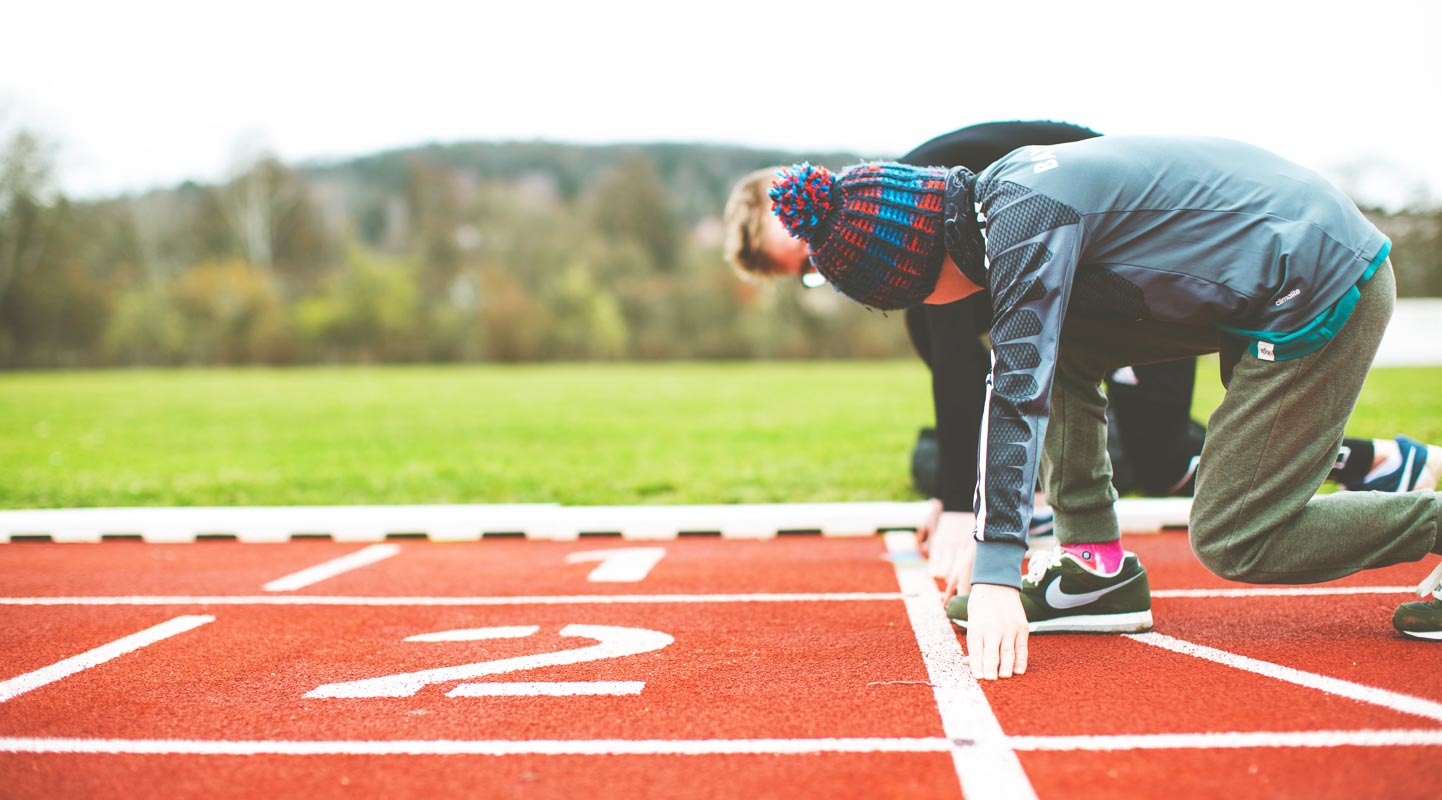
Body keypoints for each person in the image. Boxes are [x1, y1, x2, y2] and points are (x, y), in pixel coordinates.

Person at [765, 135, 1442, 679]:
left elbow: (1018, 392)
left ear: (916, 273)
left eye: (897, 300)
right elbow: (1027, 363)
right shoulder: (1004, 197)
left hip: (1320, 281)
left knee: (1239, 533)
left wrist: (999, 569)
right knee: (1056, 350)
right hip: (1268, 270)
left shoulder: (1026, 222)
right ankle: (1095, 569)